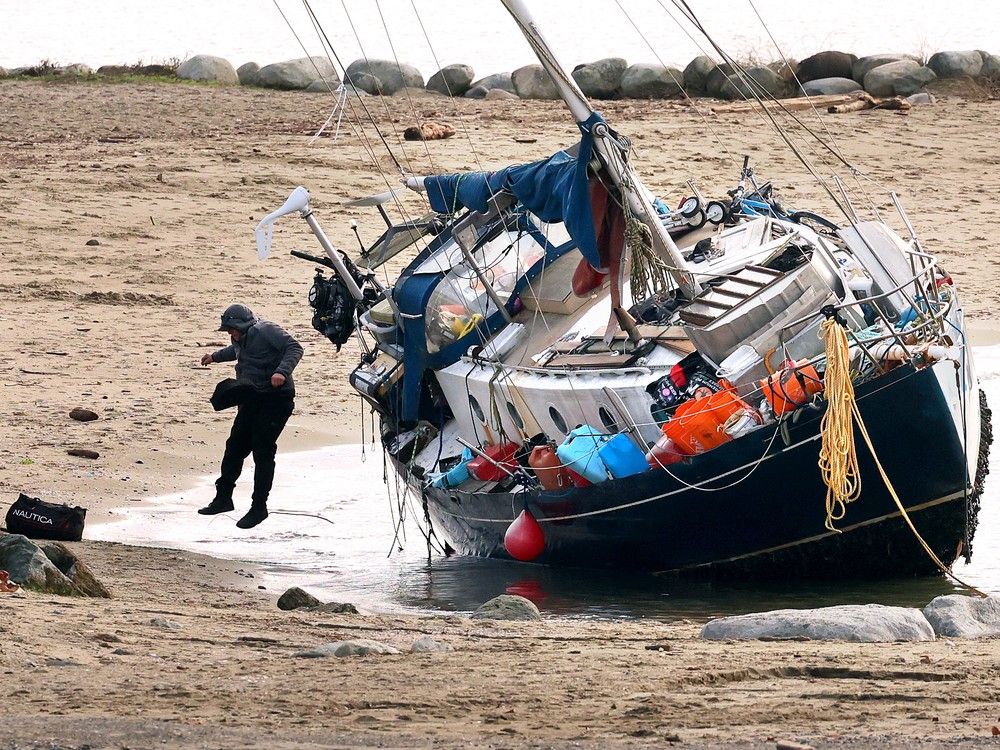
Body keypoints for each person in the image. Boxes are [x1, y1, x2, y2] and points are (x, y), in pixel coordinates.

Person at [198, 304, 303, 529]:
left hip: (277, 398)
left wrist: (281, 372)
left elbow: (294, 347)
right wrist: (214, 357)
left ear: (242, 325)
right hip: (252, 396)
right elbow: (235, 352)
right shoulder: (239, 338)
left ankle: (259, 508)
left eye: (231, 329)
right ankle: (223, 498)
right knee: (234, 447)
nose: (229, 333)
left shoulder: (266, 330)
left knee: (262, 450)